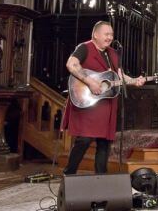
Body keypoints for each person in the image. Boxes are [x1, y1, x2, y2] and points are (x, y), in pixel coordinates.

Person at [61, 21, 146, 174]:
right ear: (96, 34)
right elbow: (71, 64)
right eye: (106, 34)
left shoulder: (113, 53)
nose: (110, 37)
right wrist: (90, 82)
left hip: (107, 105)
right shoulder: (85, 47)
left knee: (104, 143)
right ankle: (69, 173)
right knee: (84, 139)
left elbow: (121, 76)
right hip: (87, 102)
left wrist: (134, 81)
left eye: (111, 34)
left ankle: (101, 178)